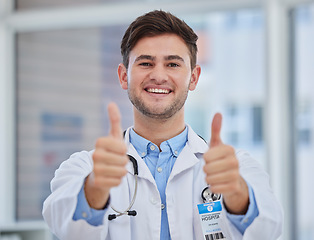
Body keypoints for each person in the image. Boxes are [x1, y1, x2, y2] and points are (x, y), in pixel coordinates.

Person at [42, 10, 283, 240]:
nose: (159, 75)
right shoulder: (84, 169)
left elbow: (268, 229)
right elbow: (65, 227)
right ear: (124, 76)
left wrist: (237, 193)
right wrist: (95, 188)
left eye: (173, 64)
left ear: (194, 77)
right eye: (146, 63)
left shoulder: (236, 168)